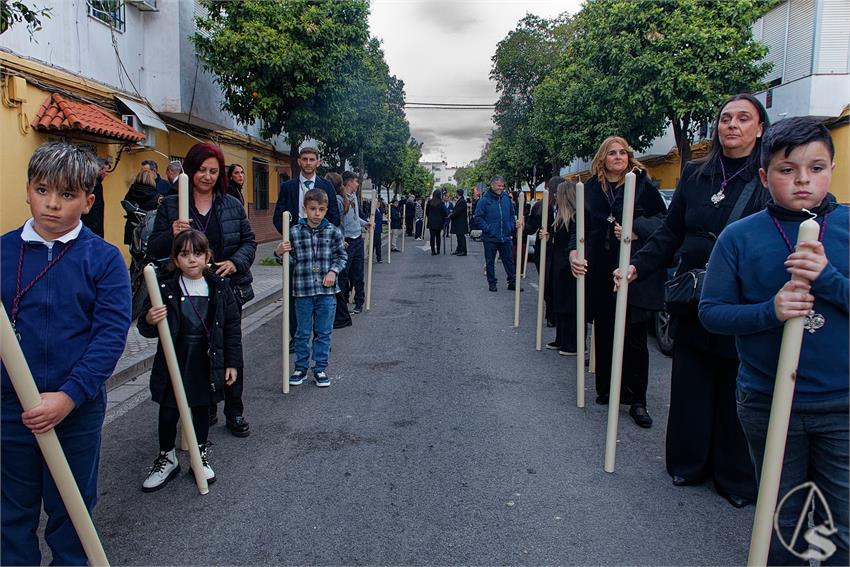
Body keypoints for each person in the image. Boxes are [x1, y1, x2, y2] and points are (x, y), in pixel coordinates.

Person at [700, 117, 848, 564]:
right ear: (765, 177)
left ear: (832, 169)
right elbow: (712, 312)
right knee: (781, 520)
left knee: (842, 523)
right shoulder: (740, 236)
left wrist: (828, 278)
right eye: (787, 170)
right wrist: (771, 311)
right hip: (768, 400)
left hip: (842, 404)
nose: (803, 180)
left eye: (816, 168)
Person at [618, 94, 770, 506]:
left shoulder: (768, 176)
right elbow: (671, 232)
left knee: (736, 387)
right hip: (694, 296)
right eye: (725, 118)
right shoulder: (696, 174)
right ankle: (688, 463)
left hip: (742, 300)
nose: (732, 125)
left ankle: (735, 477)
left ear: (760, 128)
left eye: (743, 118)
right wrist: (637, 266)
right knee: (691, 382)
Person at [1, 142, 131, 566]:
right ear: (27, 191)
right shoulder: (3, 253)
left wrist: (69, 396)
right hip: (10, 408)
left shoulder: (105, 259)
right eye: (42, 190)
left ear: (88, 201)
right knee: (10, 512)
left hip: (76, 408)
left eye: (68, 194)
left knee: (72, 512)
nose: (52, 204)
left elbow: (109, 336)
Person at [148, 142, 256, 438]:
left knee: (228, 347)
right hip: (185, 293)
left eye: (213, 171)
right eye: (201, 170)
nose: (207, 176)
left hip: (224, 290)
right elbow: (153, 248)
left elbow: (249, 242)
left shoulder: (231, 203)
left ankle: (234, 410)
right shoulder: (172, 205)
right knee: (195, 350)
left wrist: (235, 263)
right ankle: (203, 405)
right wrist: (170, 234)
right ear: (190, 170)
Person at [569, 136, 665, 429]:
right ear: (603, 158)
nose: (619, 156)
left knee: (634, 335)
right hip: (600, 269)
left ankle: (637, 399)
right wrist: (574, 253)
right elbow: (578, 228)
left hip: (633, 268)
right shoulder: (591, 189)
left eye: (623, 152)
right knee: (605, 329)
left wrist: (635, 229)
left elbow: (664, 222)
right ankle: (609, 388)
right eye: (612, 153)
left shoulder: (642, 185)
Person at [138, 230, 242, 491]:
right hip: (174, 360)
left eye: (197, 253)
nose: (192, 259)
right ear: (175, 259)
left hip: (205, 361)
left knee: (200, 411)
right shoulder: (164, 287)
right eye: (184, 254)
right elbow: (145, 326)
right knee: (168, 411)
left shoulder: (220, 287)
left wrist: (231, 363)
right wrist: (150, 319)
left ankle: (199, 455)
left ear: (208, 256)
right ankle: (167, 457)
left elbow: (231, 328)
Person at [277, 188, 347, 388]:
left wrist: (333, 271)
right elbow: (289, 261)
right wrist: (279, 252)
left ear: (326, 210)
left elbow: (341, 256)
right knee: (302, 332)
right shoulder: (294, 232)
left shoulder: (333, 231)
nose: (317, 213)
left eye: (321, 209)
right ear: (305, 208)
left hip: (327, 292)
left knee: (323, 332)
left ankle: (320, 368)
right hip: (303, 291)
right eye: (313, 209)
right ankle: (300, 368)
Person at [273, 145, 341, 342]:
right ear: (299, 161)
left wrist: (325, 235)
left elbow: (335, 216)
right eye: (305, 159)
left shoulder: (326, 186)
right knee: (294, 293)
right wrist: (292, 237)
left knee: (322, 294)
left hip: (321, 249)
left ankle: (320, 338)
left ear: (318, 162)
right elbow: (278, 216)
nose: (308, 163)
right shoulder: (288, 187)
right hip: (298, 250)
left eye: (312, 159)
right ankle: (296, 337)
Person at [545, 181, 579, 355]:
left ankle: (572, 343)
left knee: (569, 304)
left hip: (567, 266)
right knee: (559, 302)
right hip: (558, 265)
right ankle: (561, 338)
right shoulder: (561, 216)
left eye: (557, 194)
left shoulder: (575, 217)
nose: (555, 197)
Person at [475, 175, 521, 291]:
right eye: (499, 186)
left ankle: (512, 282)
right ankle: (492, 283)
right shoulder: (484, 200)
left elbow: (512, 214)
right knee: (490, 262)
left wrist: (510, 226)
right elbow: (478, 217)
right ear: (492, 185)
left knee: (509, 260)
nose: (501, 188)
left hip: (505, 236)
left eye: (502, 186)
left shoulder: (506, 199)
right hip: (490, 237)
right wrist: (488, 229)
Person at [336, 172, 369, 314]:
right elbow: (338, 221)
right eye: (356, 181)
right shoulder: (339, 199)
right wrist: (340, 238)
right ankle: (342, 306)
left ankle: (359, 302)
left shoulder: (354, 196)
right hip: (347, 241)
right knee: (344, 274)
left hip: (358, 239)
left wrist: (365, 223)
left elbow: (355, 217)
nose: (358, 184)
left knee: (358, 273)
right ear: (349, 182)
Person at [325, 172, 352, 329]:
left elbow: (334, 223)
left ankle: (342, 316)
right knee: (338, 281)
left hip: (335, 240)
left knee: (336, 283)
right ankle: (341, 316)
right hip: (339, 238)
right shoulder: (342, 199)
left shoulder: (335, 200)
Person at [123, 168, 160, 246]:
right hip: (148, 230)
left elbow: (126, 205)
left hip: (132, 227)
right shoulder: (155, 195)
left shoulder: (131, 191)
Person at [81, 156, 109, 237]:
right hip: (92, 226)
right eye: (105, 171)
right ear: (99, 169)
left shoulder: (89, 181)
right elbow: (96, 208)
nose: (106, 174)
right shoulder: (95, 185)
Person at [426, 189, 448, 255]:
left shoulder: (430, 202)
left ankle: (433, 251)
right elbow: (445, 212)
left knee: (432, 237)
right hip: (439, 221)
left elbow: (427, 212)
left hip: (431, 221)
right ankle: (438, 250)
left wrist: (430, 217)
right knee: (438, 236)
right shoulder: (441, 203)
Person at [449, 189, 469, 255]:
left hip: (461, 222)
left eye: (456, 193)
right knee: (459, 236)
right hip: (459, 222)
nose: (455, 194)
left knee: (461, 237)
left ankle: (463, 251)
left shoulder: (462, 201)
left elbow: (458, 211)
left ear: (458, 193)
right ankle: (459, 250)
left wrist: (451, 215)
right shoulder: (460, 200)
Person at [373, 198, 384, 263]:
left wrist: (386, 222)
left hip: (378, 229)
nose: (378, 204)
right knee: (374, 244)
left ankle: (379, 258)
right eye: (377, 202)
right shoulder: (373, 211)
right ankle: (371, 257)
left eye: (378, 202)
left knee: (378, 244)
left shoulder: (378, 210)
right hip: (375, 230)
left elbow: (380, 220)